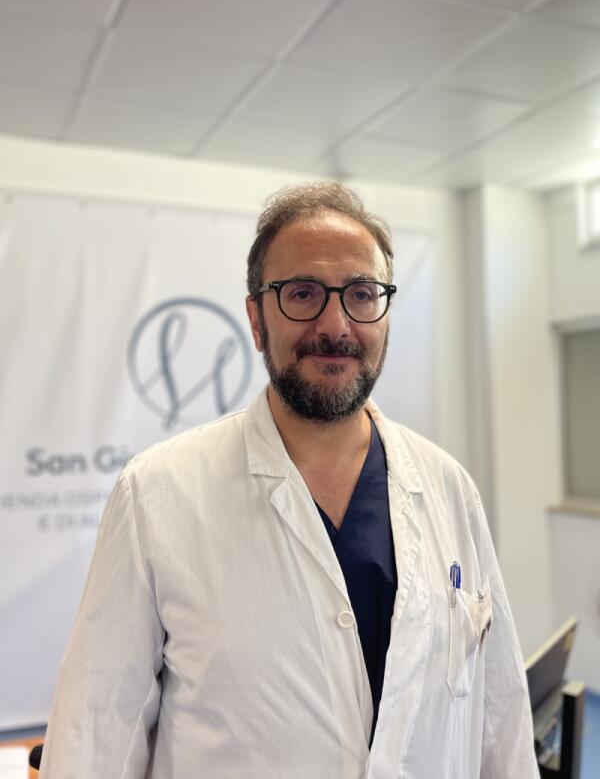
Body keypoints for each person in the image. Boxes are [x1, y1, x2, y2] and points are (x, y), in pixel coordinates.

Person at [39, 183, 539, 778]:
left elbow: (500, 721)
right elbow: (96, 734)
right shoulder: (158, 494)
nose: (336, 325)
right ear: (256, 320)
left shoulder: (448, 486)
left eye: (362, 294)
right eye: (303, 293)